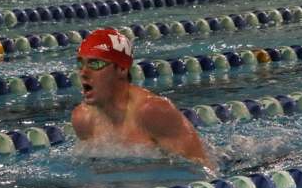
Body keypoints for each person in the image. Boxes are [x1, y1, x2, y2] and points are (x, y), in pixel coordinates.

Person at [71, 28, 212, 169]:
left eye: (95, 64)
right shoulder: (83, 120)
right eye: (80, 64)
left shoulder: (154, 112)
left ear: (122, 69)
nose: (83, 72)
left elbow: (203, 167)